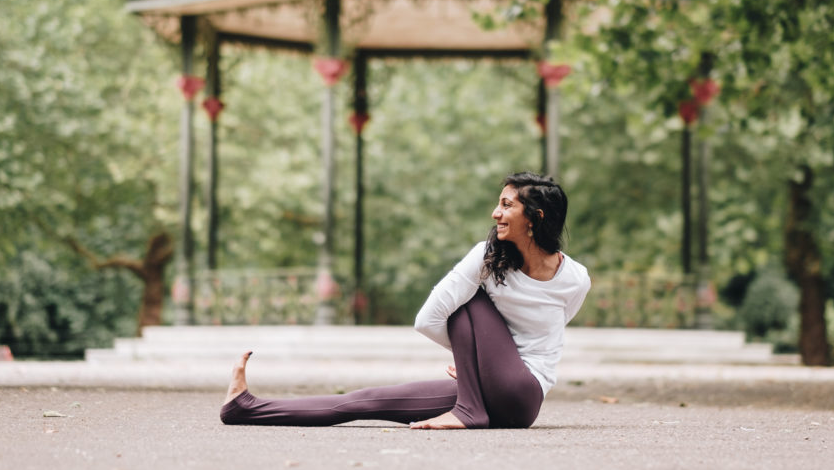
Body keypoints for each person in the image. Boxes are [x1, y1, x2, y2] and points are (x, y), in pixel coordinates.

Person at [220, 171, 591, 429]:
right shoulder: (490, 259)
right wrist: (479, 364)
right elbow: (426, 319)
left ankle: (469, 411)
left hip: (522, 394)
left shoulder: (574, 278)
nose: (496, 213)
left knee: (466, 300)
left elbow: (548, 336)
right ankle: (246, 408)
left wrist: (482, 361)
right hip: (487, 390)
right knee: (365, 401)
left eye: (507, 205)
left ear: (535, 218)